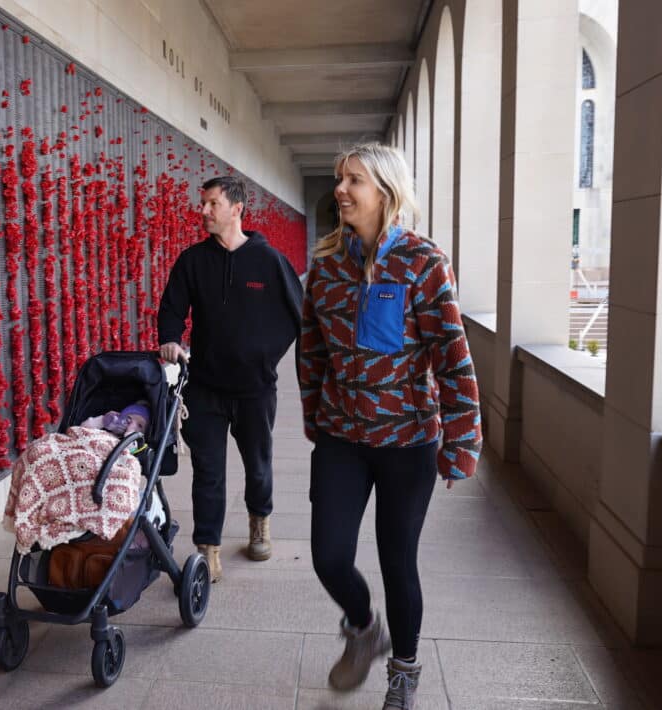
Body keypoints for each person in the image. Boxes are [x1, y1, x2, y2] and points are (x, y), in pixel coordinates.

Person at [299, 142, 482, 708]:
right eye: (339, 179)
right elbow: (311, 351)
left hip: (407, 442)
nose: (341, 190)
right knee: (329, 555)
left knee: (396, 557)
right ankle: (363, 626)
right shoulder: (325, 266)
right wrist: (315, 415)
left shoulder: (424, 263)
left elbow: (452, 355)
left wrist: (461, 443)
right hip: (342, 439)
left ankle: (403, 671)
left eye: (353, 180)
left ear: (386, 190)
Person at [158, 176, 303, 582]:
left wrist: (266, 354)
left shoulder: (269, 260)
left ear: (237, 208)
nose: (203, 211)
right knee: (208, 470)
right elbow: (172, 308)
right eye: (203, 203)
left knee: (257, 466)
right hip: (205, 387)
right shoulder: (192, 261)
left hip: (255, 389)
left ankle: (260, 522)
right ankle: (208, 548)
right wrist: (170, 339)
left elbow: (301, 316)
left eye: (212, 203)